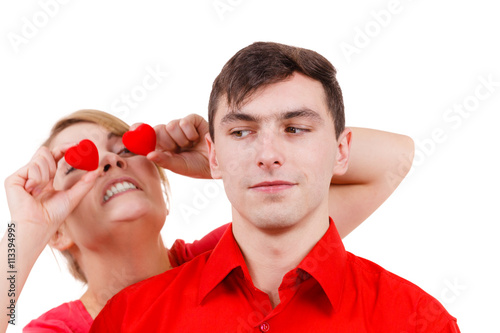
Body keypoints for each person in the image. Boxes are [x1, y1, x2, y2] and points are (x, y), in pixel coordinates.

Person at [90, 42, 460, 332]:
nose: (268, 156)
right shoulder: (127, 320)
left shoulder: (417, 321)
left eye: (295, 128)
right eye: (242, 132)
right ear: (213, 157)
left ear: (342, 150)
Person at [1, 104, 411, 332]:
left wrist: (230, 151)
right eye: (77, 164)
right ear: (60, 232)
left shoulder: (227, 258)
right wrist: (25, 231)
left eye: (124, 149)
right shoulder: (62, 331)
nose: (109, 161)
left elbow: (391, 160)